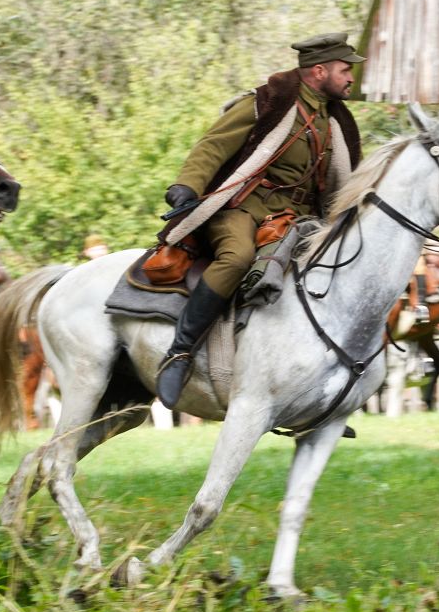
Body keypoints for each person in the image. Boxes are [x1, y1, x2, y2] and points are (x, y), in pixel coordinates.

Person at [155, 32, 366, 408]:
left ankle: (317, 388)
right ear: (319, 71)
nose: (352, 78)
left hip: (299, 219)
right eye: (345, 70)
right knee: (236, 259)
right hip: (242, 208)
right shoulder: (266, 102)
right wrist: (187, 185)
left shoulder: (335, 121)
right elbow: (213, 145)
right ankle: (179, 353)